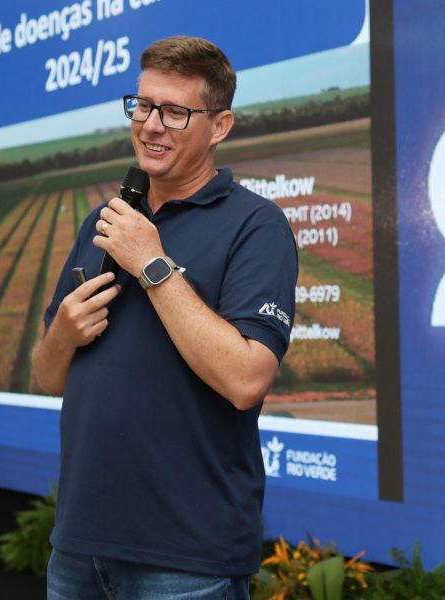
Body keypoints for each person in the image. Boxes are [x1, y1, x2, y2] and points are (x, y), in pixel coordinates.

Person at [31, 35, 298, 599]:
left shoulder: (256, 225)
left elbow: (246, 379)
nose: (151, 125)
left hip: (185, 555)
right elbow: (48, 377)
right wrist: (63, 335)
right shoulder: (105, 222)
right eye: (143, 105)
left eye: (175, 112)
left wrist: (152, 264)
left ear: (219, 126)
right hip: (79, 544)